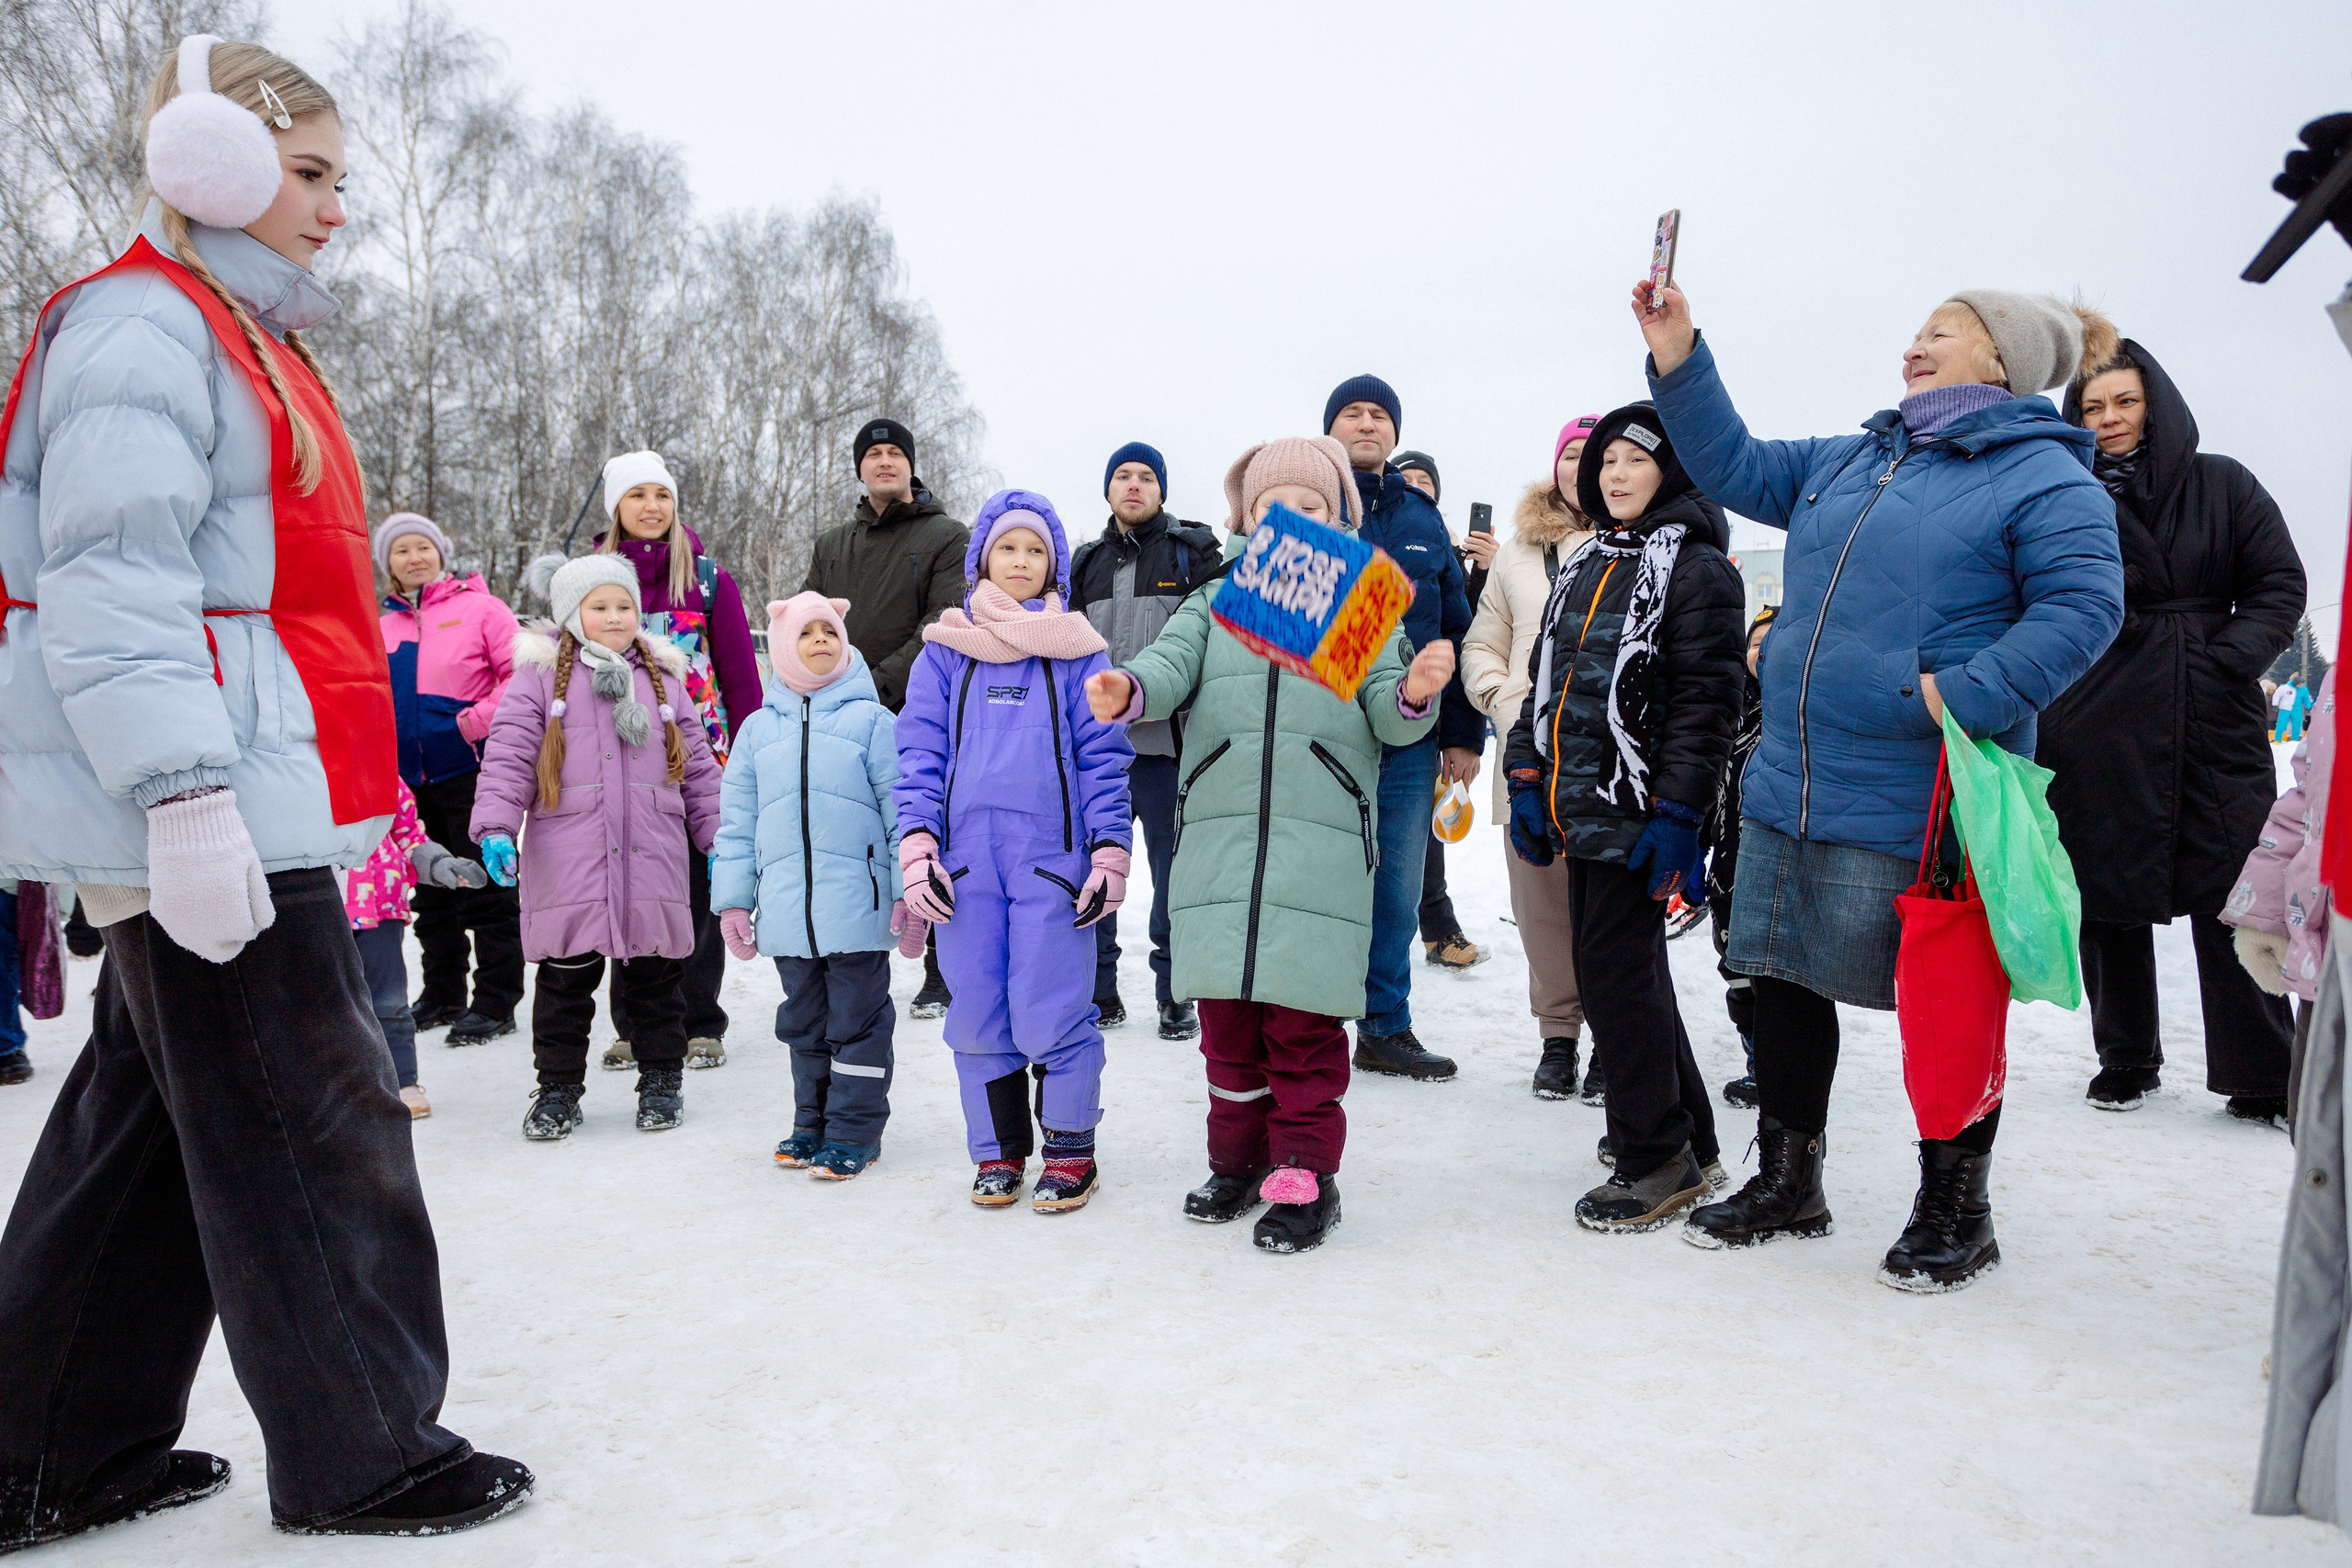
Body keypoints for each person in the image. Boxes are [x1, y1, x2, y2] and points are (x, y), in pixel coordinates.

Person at [0, 36, 530, 1543]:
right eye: (308, 175)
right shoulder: (140, 334)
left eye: (337, 181)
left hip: (237, 785)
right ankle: (370, 1446)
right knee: (312, 1107)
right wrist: (180, 795)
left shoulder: (220, 334)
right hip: (205, 796)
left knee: (155, 1127)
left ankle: (48, 1446)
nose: (332, 210)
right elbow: (110, 587)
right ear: (209, 165)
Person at [1643, 280, 2123, 1292]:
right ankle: (1788, 1180)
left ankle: (1958, 1206)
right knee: (1774, 976)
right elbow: (1728, 462)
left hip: (1929, 782)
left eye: (1940, 334)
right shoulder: (1851, 458)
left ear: (2001, 361)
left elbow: (2084, 609)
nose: (1914, 348)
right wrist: (1680, 354)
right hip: (1793, 774)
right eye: (1914, 333)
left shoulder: (2044, 477)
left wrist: (1957, 694)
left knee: (1945, 1000)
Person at [1085, 436, 1453, 1254]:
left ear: (1340, 520)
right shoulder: (1217, 599)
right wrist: (1130, 685)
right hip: (1220, 837)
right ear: (1246, 517)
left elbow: (1389, 715)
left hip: (1316, 844)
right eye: (1272, 506)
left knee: (1303, 1025)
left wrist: (1417, 689)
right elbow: (1170, 664)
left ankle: (1302, 1170)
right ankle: (1236, 1161)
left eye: (1311, 507)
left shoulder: (1353, 602)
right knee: (1227, 1025)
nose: (1290, 520)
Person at [2040, 335, 2305, 1122]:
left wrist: (2229, 656)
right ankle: (2125, 1056)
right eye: (2093, 407)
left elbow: (2278, 582)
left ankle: (2261, 1069)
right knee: (2106, 884)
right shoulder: (2064, 491)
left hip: (2210, 710)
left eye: (2125, 401)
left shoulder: (2222, 482)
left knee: (2234, 883)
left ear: (2155, 402)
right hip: (2095, 711)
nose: (2111, 418)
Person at [1502, 404, 1744, 1233]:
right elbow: (1544, 677)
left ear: (1671, 471)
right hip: (1577, 800)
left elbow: (1707, 704)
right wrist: (1525, 776)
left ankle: (1653, 1158)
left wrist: (1680, 815)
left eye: (1634, 461)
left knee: (1615, 976)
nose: (1614, 474)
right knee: (1630, 971)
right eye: (1606, 462)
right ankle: (1692, 1139)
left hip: (1639, 809)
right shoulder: (1587, 559)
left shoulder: (1700, 569)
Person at [894, 490, 1133, 1213]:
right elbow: (919, 754)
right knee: (978, 1008)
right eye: (1008, 547)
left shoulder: (1078, 649)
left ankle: (1069, 1149)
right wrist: (916, 846)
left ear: (1054, 563)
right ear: (982, 561)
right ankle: (996, 1150)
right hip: (964, 866)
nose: (1022, 560)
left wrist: (1110, 853)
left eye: (1036, 550)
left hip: (1052, 864)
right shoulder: (944, 651)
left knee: (1051, 1003)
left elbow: (1104, 759)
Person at [470, 557, 721, 1139]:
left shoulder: (662, 678)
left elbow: (700, 767)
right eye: (599, 606)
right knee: (564, 980)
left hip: (651, 850)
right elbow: (508, 757)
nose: (615, 617)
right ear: (570, 615)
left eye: (625, 606)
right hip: (569, 851)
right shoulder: (536, 678)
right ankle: (558, 1088)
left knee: (658, 978)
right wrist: (497, 827)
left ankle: (661, 1079)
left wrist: (717, 836)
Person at [579, 449, 760, 1071]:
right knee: (627, 886)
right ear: (617, 508)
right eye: (637, 496)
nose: (652, 507)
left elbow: (740, 680)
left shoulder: (709, 580)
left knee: (698, 887)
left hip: (702, 760)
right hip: (617, 761)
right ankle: (632, 1023)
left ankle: (699, 1018)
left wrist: (749, 756)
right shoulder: (592, 582)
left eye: (661, 495)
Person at [713, 592, 904, 1180]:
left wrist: (906, 893)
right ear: (782, 648)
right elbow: (736, 826)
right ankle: (810, 1122)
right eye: (806, 633)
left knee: (858, 1023)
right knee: (804, 1023)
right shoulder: (754, 732)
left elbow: (903, 812)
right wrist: (734, 901)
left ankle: (854, 1130)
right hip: (788, 913)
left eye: (829, 630)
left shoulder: (874, 722)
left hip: (859, 910)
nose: (820, 639)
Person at [1324, 376, 1479, 1080]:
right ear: (1331, 428)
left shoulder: (1422, 520)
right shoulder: (1309, 504)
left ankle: (1385, 1024)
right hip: (1320, 734)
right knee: (1322, 881)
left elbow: (1457, 630)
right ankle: (1313, 1017)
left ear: (1394, 431)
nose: (1366, 423)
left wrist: (1463, 734)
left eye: (1379, 414)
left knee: (1395, 889)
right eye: (1352, 412)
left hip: (1411, 737)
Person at [803, 419, 972, 1020]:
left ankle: (942, 971)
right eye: (873, 453)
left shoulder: (948, 536)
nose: (884, 461)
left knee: (929, 834)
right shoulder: (831, 546)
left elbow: (945, 622)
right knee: (851, 843)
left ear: (911, 466)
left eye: (894, 452)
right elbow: (808, 625)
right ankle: (852, 963)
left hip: (922, 713)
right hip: (842, 718)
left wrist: (874, 683)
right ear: (859, 467)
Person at [1464, 418, 1600, 1100]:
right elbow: (1482, 641)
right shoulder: (1517, 553)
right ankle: (1558, 1036)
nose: (1585, 464)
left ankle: (1615, 1033)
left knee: (1613, 899)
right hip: (1530, 753)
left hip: (1614, 755)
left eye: (1598, 452)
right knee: (1542, 900)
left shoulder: (1643, 542)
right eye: (1572, 453)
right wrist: (1502, 699)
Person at [1067, 441, 1220, 1038]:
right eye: (1122, 476)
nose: (1134, 485)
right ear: (1108, 489)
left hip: (1168, 749)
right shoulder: (1085, 563)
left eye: (1146, 476)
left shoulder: (1189, 551)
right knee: (1094, 866)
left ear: (1162, 489)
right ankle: (1099, 990)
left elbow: (1207, 641)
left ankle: (1174, 992)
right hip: (1098, 751)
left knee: (1172, 873)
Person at [376, 512, 524, 1046]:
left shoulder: (481, 609)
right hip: (407, 781)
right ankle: (441, 993)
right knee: (428, 892)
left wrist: (469, 725)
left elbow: (522, 675)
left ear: (441, 553)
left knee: (486, 886)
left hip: (470, 770)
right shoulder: (381, 624)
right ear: (387, 563)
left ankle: (496, 1000)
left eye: (423, 548)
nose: (414, 558)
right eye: (401, 550)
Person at [1391, 447, 1488, 975]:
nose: (1413, 488)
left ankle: (1436, 925)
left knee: (1420, 831)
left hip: (1422, 713)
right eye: (1404, 479)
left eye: (1423, 480)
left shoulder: (1445, 551)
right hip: (1349, 711)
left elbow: (1470, 634)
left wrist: (1465, 733)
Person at [2225, 667, 2335, 1124]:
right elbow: (2309, 801)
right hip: (2333, 967)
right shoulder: (2343, 676)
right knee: (2319, 1134)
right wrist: (2264, 914)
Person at [346, 778, 491, 1120]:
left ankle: (402, 1080)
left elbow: (409, 836)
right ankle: (337, 1086)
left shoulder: (379, 772)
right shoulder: (294, 771)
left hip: (380, 904)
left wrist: (440, 865)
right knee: (327, 1002)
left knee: (387, 999)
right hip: (321, 907)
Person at [1710, 606, 1778, 1108]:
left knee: (1779, 976)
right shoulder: (1730, 711)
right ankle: (1757, 1057)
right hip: (1730, 866)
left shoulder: (1801, 714)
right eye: (1755, 643)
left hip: (1782, 867)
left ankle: (1783, 1067)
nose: (1762, 651)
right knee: (1736, 970)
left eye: (1774, 641)